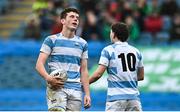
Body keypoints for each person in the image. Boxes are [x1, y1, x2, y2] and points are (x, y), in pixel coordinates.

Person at [36, 7, 91, 111]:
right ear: (63, 21)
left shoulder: (83, 43)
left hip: (76, 90)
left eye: (77, 18)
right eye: (72, 16)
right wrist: (48, 78)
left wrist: (87, 94)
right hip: (57, 87)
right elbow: (39, 64)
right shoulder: (51, 40)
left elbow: (84, 70)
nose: (75, 19)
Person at [89, 22, 144, 111]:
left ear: (114, 34)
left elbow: (98, 74)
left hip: (116, 99)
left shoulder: (108, 50)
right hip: (134, 98)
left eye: (111, 32)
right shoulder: (136, 51)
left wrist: (85, 83)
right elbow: (141, 76)